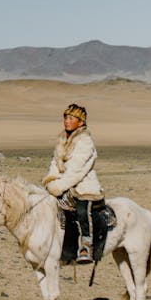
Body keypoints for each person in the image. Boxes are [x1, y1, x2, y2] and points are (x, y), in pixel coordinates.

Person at [42, 103, 103, 263]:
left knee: (83, 211)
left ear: (80, 122)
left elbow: (77, 170)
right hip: (63, 183)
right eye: (65, 118)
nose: (66, 121)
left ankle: (86, 246)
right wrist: (51, 180)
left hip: (84, 185)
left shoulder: (86, 142)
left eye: (71, 118)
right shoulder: (62, 140)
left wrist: (59, 186)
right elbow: (55, 163)